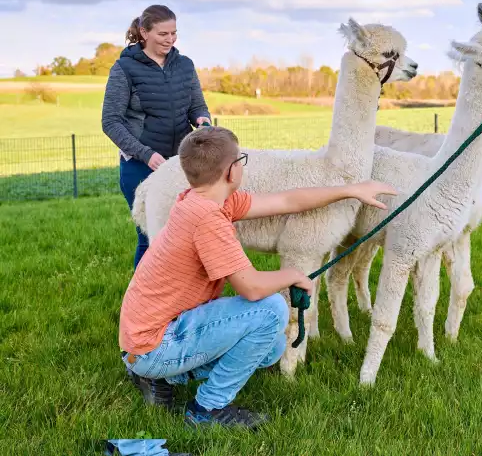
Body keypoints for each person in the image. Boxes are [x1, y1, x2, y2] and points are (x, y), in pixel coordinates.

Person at [118, 126, 397, 429]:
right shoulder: (208, 219)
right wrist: (292, 274)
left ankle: (159, 375)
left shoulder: (205, 200)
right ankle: (206, 409)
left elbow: (287, 202)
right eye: (241, 160)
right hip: (153, 344)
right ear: (230, 172)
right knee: (271, 310)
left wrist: (350, 190)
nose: (243, 166)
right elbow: (250, 288)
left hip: (148, 337)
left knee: (272, 347)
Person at [102, 4, 211, 269]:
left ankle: (182, 303)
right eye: (163, 34)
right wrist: (145, 154)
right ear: (144, 32)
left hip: (181, 165)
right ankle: (143, 306)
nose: (170, 39)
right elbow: (111, 122)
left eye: (174, 33)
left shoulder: (185, 65)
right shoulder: (124, 69)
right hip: (140, 167)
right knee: (152, 239)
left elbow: (197, 105)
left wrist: (202, 120)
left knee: (187, 237)